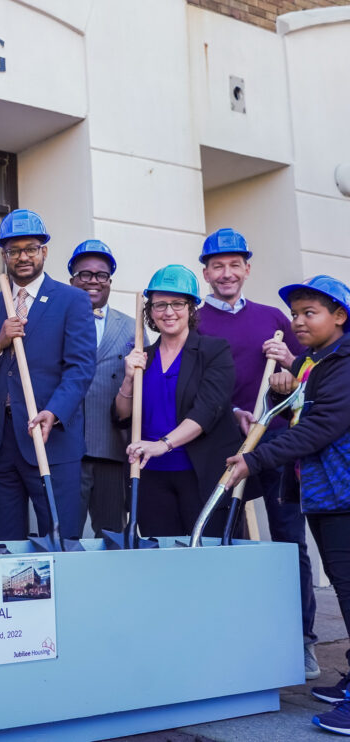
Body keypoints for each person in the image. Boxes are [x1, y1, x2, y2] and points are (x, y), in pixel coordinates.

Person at [222, 276, 350, 735]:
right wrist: (280, 393)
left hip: (344, 494)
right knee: (341, 582)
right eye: (294, 313)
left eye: (309, 312)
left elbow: (320, 428)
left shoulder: (344, 363)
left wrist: (254, 460)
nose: (297, 321)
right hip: (326, 494)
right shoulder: (318, 362)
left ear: (339, 316)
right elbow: (301, 409)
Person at [196, 227, 317, 680]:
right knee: (226, 539)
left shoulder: (276, 319)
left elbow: (315, 379)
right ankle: (238, 636)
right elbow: (191, 387)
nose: (226, 273)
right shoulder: (195, 321)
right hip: (223, 447)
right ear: (205, 272)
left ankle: (301, 639)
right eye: (217, 266)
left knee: (290, 545)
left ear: (247, 269)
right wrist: (230, 412)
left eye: (234, 265)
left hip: (280, 445)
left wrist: (289, 361)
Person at [0, 209, 95, 542]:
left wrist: (53, 413)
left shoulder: (72, 300)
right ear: (4, 255)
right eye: (14, 251)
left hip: (50, 440)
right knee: (4, 545)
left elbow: (81, 367)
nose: (22, 257)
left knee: (60, 540)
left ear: (45, 251)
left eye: (30, 248)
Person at [117, 265, 243, 537]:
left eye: (177, 303)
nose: (169, 312)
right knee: (162, 560)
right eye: (160, 305)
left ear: (191, 308)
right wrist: (128, 379)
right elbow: (122, 415)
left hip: (201, 475)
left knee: (208, 558)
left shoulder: (213, 351)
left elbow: (206, 412)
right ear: (150, 311)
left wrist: (163, 445)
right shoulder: (143, 357)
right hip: (151, 477)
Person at [68, 240, 144, 537]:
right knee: (64, 537)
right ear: (72, 280)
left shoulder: (131, 327)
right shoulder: (55, 321)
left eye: (101, 275)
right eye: (84, 274)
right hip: (66, 449)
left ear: (110, 281)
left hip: (113, 448)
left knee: (112, 535)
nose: (93, 281)